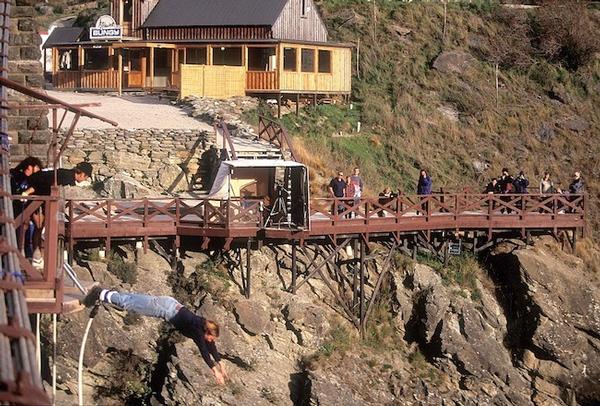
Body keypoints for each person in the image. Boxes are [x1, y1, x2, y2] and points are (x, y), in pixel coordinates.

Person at [82, 287, 229, 385]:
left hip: (169, 303)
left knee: (133, 298)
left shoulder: (202, 325)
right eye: (211, 337)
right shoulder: (198, 330)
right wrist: (215, 371)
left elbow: (210, 346)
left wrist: (221, 365)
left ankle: (107, 293)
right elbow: (204, 350)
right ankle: (100, 294)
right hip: (164, 309)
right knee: (129, 304)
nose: (211, 341)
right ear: (207, 332)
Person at [22, 162, 93, 268]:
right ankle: (36, 257)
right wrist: (27, 192)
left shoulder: (67, 175)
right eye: (86, 177)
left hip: (41, 196)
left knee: (40, 228)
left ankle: (37, 257)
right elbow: (43, 183)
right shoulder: (65, 178)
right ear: (82, 174)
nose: (85, 179)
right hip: (37, 194)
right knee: (40, 229)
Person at [10, 157, 43, 257]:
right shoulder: (15, 176)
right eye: (36, 170)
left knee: (29, 233)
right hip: (15, 210)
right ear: (29, 167)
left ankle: (28, 256)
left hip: (26, 211)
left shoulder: (32, 180)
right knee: (16, 234)